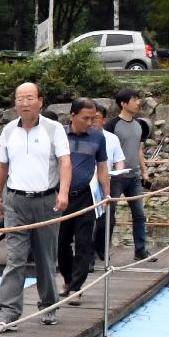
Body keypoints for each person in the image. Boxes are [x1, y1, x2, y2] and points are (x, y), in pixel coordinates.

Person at [0, 82, 71, 326]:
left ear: (40, 101)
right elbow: (1, 166)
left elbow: (64, 162)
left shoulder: (53, 128)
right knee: (15, 257)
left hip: (46, 200)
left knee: (45, 257)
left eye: (29, 98)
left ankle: (49, 305)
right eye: (19, 99)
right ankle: (7, 313)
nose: (24, 103)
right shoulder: (8, 130)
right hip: (15, 201)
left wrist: (64, 193)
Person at [56, 98, 109, 305]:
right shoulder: (59, 134)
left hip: (86, 195)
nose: (90, 122)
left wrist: (106, 194)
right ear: (72, 116)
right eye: (85, 118)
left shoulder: (98, 137)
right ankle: (68, 280)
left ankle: (77, 287)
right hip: (61, 196)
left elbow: (102, 166)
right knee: (61, 243)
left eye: (93, 118)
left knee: (84, 243)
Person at [104, 88, 155, 261]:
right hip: (116, 177)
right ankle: (102, 250)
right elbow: (106, 151)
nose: (138, 102)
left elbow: (139, 149)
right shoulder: (111, 126)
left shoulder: (139, 125)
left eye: (138, 99)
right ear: (123, 104)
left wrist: (144, 171)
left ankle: (140, 250)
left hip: (134, 178)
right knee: (109, 214)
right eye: (134, 100)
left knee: (139, 214)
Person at [92, 102, 125, 266]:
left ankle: (102, 249)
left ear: (103, 120)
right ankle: (88, 254)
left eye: (96, 118)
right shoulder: (82, 137)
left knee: (108, 219)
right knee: (90, 220)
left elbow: (119, 160)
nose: (93, 121)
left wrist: (118, 173)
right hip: (88, 184)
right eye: (90, 118)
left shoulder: (111, 138)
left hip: (107, 181)